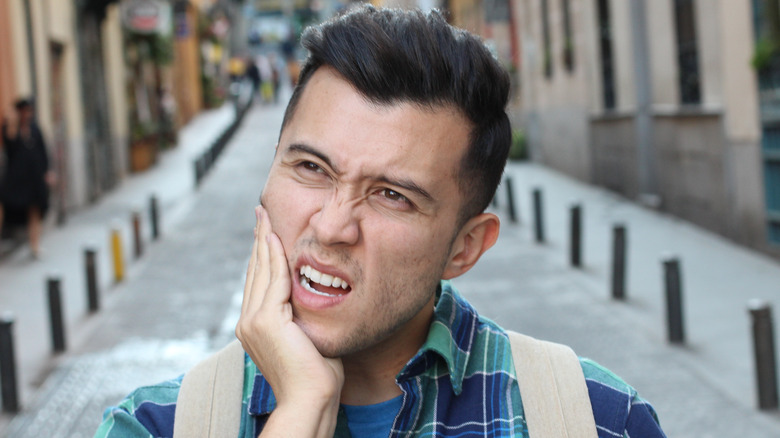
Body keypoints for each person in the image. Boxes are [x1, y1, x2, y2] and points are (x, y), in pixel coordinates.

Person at [95, 6, 667, 437]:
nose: (332, 225)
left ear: (464, 248)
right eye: (311, 167)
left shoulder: (594, 420)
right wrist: (297, 414)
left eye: (392, 196)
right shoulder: (155, 426)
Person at [0, 98, 53, 259]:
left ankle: (34, 246)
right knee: (5, 205)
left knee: (35, 211)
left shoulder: (35, 129)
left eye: (29, 110)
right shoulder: (11, 128)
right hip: (16, 179)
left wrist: (47, 171)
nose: (27, 114)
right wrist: (11, 122)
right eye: (24, 110)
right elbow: (8, 145)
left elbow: (43, 151)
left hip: (34, 178)